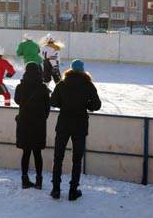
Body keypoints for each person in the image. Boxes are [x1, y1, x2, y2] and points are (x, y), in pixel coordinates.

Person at [50, 59, 101, 201]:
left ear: (70, 69)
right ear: (82, 70)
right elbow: (96, 105)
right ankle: (73, 191)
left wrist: (64, 104)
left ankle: (56, 190)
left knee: (58, 158)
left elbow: (53, 102)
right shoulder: (88, 85)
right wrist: (86, 105)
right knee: (77, 160)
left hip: (63, 125)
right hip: (80, 125)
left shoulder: (62, 84)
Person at [14, 62, 50, 190]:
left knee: (26, 153)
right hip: (38, 124)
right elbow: (47, 106)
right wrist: (42, 118)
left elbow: (17, 100)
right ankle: (39, 181)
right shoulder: (43, 88)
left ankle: (24, 180)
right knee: (37, 153)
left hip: (24, 122)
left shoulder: (20, 86)